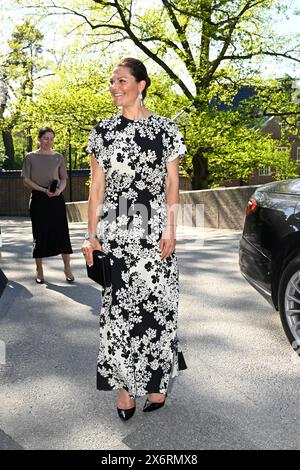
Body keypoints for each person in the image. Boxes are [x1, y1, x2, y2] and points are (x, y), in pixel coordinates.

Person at [82, 57, 187, 421]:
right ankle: (126, 389)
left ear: (140, 84)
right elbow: (97, 187)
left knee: (159, 307)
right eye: (112, 81)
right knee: (120, 312)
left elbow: (172, 184)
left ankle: (157, 382)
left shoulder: (166, 129)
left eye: (121, 80)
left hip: (155, 231)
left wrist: (171, 228)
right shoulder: (103, 132)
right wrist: (91, 234)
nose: (114, 87)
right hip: (117, 234)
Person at [22, 127, 74, 284]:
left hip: (56, 199)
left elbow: (64, 178)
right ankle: (39, 269)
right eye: (45, 138)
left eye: (51, 138)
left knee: (62, 233)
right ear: (39, 139)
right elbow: (26, 180)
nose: (48, 141)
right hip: (39, 199)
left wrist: (59, 190)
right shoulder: (30, 157)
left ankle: (67, 267)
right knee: (39, 233)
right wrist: (43, 190)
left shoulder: (58, 157)